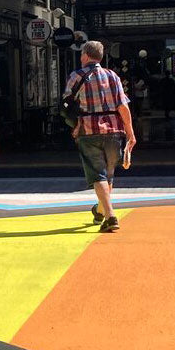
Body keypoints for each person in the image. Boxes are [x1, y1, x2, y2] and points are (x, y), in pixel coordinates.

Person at [64, 40, 136, 234]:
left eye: (81, 55)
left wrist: (76, 125)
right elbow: (123, 106)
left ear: (86, 55)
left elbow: (66, 106)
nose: (80, 58)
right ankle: (100, 210)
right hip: (114, 131)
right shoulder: (113, 76)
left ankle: (111, 215)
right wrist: (130, 133)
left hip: (89, 131)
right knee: (108, 175)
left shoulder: (76, 76)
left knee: (98, 175)